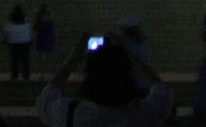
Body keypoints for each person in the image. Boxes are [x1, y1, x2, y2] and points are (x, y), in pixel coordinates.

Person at [34, 33, 173, 126]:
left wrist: (72, 61)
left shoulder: (71, 113)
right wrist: (132, 57)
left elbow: (45, 100)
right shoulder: (142, 114)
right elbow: (162, 93)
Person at [3, 5, 33, 82]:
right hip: (25, 41)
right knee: (25, 60)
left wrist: (5, 40)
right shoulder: (26, 20)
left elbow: (7, 32)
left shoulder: (9, 21)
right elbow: (30, 30)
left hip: (13, 42)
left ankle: (14, 75)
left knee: (14, 60)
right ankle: (26, 75)